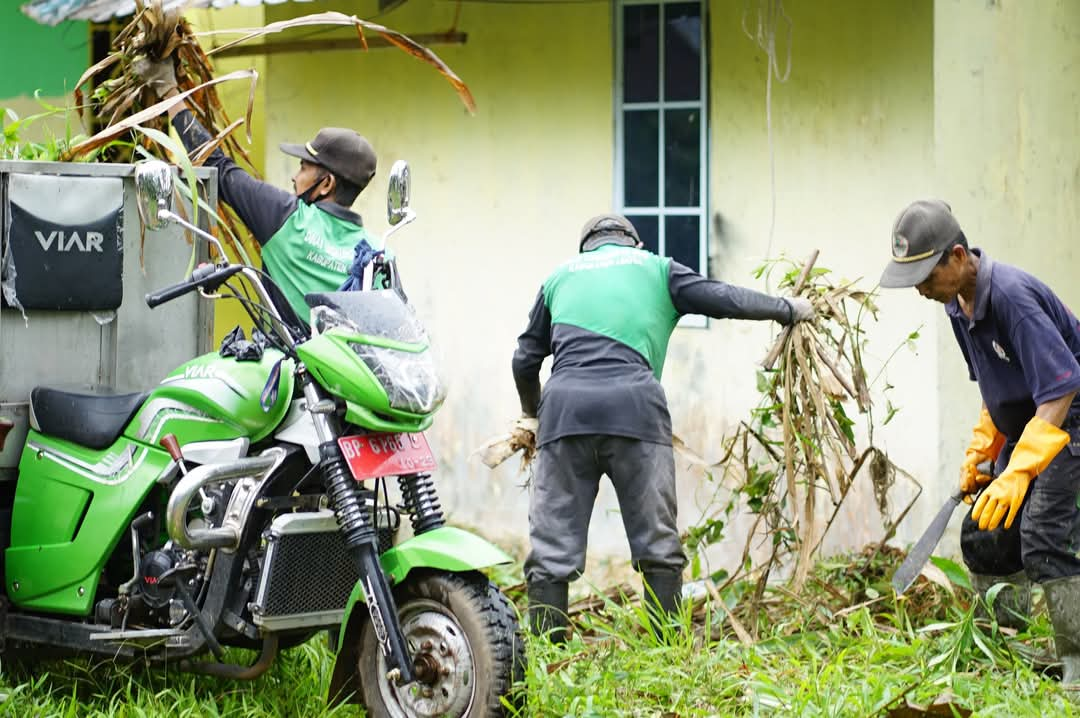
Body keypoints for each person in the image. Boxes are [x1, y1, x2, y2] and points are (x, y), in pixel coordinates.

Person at [511, 214, 815, 642]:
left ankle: (546, 654)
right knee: (657, 543)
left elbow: (524, 361)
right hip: (636, 412)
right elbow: (724, 298)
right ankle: (666, 652)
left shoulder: (559, 278)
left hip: (564, 415)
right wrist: (787, 309)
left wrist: (535, 417)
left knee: (551, 551)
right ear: (633, 244)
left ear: (588, 248)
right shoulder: (656, 268)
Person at [879, 199, 1080, 686]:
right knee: (985, 530)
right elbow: (997, 386)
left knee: (1044, 535)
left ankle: (1076, 657)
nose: (923, 289)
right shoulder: (956, 303)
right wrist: (985, 450)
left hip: (1069, 418)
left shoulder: (1010, 297)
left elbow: (1062, 383)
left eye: (927, 275)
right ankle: (1006, 649)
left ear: (958, 255)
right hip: (1030, 424)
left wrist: (1020, 471)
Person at [134, 56, 378, 321]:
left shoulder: (286, 219)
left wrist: (168, 90)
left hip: (287, 359)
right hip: (341, 362)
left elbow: (217, 165)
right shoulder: (377, 252)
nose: (295, 178)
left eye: (304, 168)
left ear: (326, 184)